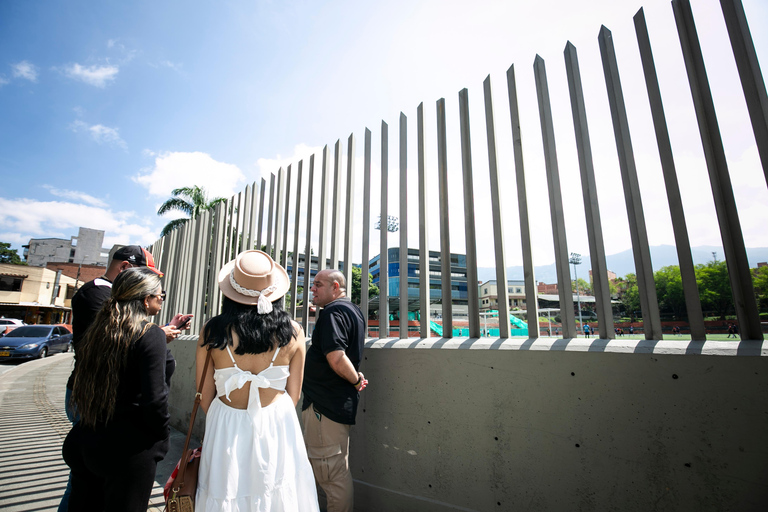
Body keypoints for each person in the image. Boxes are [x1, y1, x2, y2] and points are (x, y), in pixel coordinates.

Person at [59, 245, 190, 512]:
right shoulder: (99, 296)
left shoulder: (102, 322)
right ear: (143, 298)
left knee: (83, 500)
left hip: (89, 433)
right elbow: (155, 400)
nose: (162, 298)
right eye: (159, 294)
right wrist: (159, 443)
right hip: (125, 445)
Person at [195, 250, 319, 511]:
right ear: (273, 291)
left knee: (225, 489)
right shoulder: (294, 331)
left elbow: (204, 394)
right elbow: (294, 394)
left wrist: (227, 418)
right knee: (277, 488)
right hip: (277, 421)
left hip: (226, 421)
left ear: (230, 291)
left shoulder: (211, 330)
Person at [302, 269, 368, 512]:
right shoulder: (353, 312)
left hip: (325, 407)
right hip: (331, 405)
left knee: (333, 478)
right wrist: (355, 378)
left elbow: (337, 357)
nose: (313, 289)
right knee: (335, 471)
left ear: (336, 287)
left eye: (318, 284)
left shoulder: (333, 312)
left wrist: (355, 381)